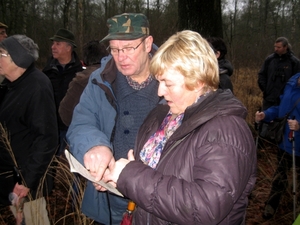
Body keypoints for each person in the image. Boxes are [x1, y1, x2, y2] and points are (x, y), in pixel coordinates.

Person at [100, 30, 257, 224]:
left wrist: (131, 175)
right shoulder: (161, 117)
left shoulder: (225, 130)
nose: (159, 91)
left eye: (168, 83)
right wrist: (120, 178)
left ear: (198, 81)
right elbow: (152, 184)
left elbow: (205, 207)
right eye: (159, 82)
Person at [66, 13, 162, 224]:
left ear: (148, 44)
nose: (120, 57)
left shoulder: (173, 79)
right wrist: (94, 146)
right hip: (109, 200)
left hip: (156, 204)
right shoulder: (100, 79)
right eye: (114, 49)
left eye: (128, 48)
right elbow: (81, 122)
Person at [0, 35, 58, 207]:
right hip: (8, 175)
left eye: (1, 53)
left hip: (26, 181)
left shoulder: (37, 87)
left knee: (30, 219)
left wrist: (27, 180)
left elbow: (47, 138)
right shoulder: (9, 84)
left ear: (17, 59)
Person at [255, 73, 300, 219]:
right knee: (280, 176)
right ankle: (272, 205)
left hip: (299, 145)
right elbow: (281, 107)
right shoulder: (292, 81)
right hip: (285, 142)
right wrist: (266, 115)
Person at [43, 28, 83, 155]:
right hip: (49, 127)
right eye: (53, 43)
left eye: (57, 44)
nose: (53, 47)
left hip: (71, 128)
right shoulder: (47, 71)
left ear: (68, 47)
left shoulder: (80, 73)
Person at [59, 40, 108, 126]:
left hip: (87, 134)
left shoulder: (80, 82)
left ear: (84, 61)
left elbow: (65, 112)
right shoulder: (118, 76)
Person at [258, 37, 300, 111]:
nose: (276, 49)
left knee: (281, 120)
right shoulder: (270, 59)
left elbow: (297, 81)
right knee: (265, 118)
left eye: (278, 47)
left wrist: (289, 94)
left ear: (285, 47)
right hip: (269, 98)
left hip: (285, 99)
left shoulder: (294, 62)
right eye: (275, 47)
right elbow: (262, 75)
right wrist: (265, 89)